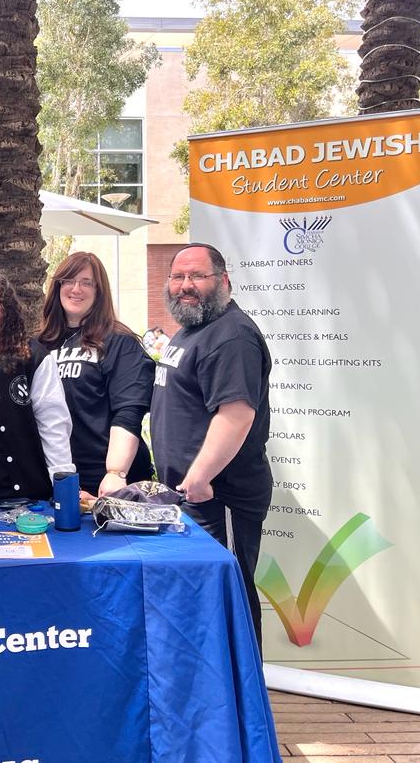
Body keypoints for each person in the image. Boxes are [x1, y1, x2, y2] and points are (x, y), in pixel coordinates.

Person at [150, 243, 272, 646]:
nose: (186, 285)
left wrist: (199, 480)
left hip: (220, 496)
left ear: (223, 280)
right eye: (178, 276)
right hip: (191, 497)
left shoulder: (232, 335)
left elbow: (236, 415)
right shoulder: (193, 330)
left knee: (231, 590)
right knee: (204, 597)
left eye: (196, 276)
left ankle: (244, 692)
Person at [38, 252, 154, 497]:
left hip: (108, 483)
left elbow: (129, 411)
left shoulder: (120, 342)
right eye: (68, 280)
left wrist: (115, 473)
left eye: (87, 282)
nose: (76, 289)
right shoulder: (41, 345)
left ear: (99, 291)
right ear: (57, 287)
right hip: (58, 478)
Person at [0, 269, 74, 501]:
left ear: (5, 305)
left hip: (28, 497)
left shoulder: (35, 358)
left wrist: (64, 485)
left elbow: (54, 427)